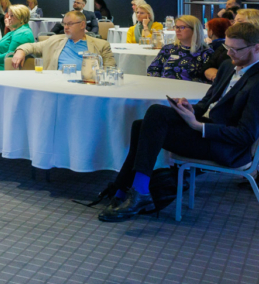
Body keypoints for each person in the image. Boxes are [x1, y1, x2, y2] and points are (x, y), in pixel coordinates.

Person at [98, 21, 259, 222]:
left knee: (153, 116)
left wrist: (198, 126)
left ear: (256, 48)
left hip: (226, 147)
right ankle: (129, 190)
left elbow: (245, 135)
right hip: (207, 129)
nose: (228, 53)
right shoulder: (228, 66)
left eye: (235, 49)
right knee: (141, 124)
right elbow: (207, 103)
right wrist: (189, 109)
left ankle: (129, 190)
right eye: (227, 47)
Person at [11, 10, 115, 70]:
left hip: (87, 86)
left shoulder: (101, 45)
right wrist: (20, 51)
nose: (65, 27)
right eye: (64, 24)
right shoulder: (54, 40)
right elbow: (32, 46)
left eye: (70, 24)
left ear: (82, 25)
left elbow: (110, 70)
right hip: (57, 85)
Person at [147, 15, 214, 83]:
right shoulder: (168, 49)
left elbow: (208, 80)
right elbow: (153, 69)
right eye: (176, 27)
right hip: (165, 86)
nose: (177, 30)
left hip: (191, 88)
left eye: (182, 27)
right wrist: (158, 83)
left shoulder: (206, 52)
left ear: (194, 29)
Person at [0, 5, 35, 72]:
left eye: (12, 16)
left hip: (3, 68)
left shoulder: (22, 33)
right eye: (9, 15)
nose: (9, 18)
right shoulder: (17, 31)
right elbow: (4, 50)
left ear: (21, 18)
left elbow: (10, 55)